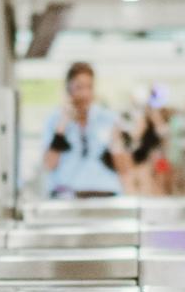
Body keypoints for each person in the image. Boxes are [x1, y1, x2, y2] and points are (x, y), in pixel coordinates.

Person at [41, 61, 130, 198]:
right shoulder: (55, 120)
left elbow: (123, 168)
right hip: (67, 194)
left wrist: (116, 143)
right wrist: (62, 126)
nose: (85, 94)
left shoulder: (108, 119)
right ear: (68, 89)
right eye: (79, 87)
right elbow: (49, 164)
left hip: (104, 192)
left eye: (89, 87)